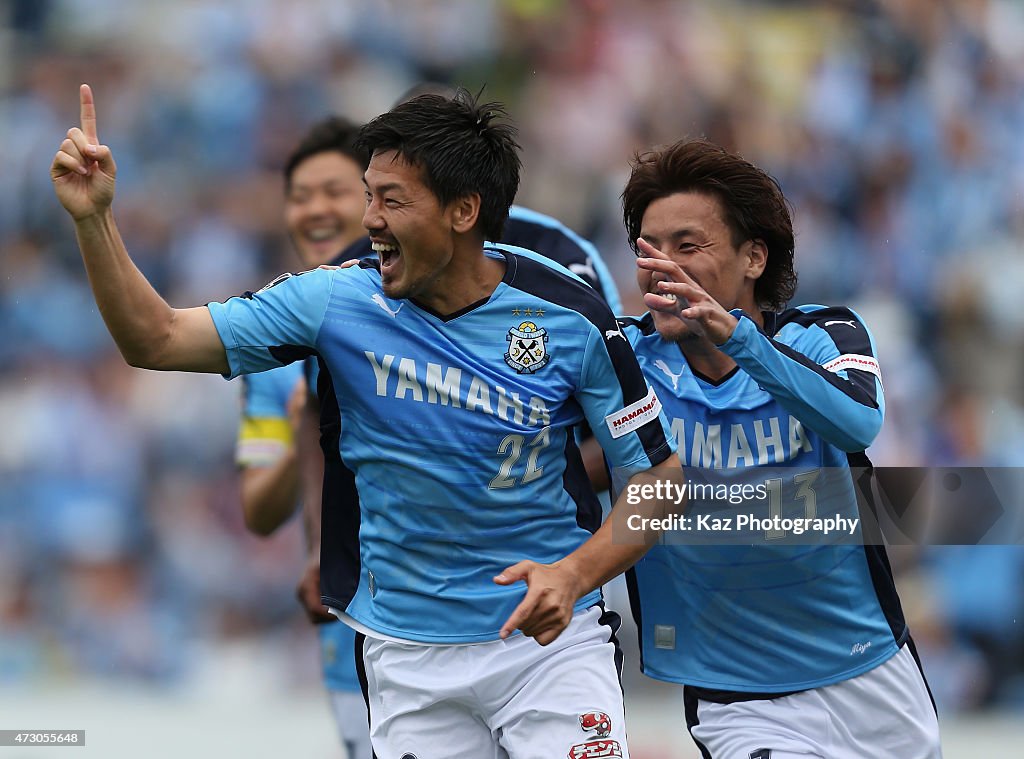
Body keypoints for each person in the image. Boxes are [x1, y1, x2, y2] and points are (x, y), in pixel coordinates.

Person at [52, 84, 679, 757]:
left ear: (464, 210)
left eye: (392, 199)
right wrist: (94, 220)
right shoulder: (332, 299)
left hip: (549, 649)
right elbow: (158, 339)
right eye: (369, 193)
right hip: (407, 658)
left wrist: (576, 573)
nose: (368, 217)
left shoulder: (568, 312)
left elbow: (660, 476)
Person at [616, 138, 942, 758]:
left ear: (754, 258)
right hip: (736, 696)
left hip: (867, 671)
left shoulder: (824, 334)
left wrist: (737, 338)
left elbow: (856, 424)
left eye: (687, 246)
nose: (661, 265)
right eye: (648, 249)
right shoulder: (624, 361)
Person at [234, 115, 373, 758]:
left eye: (335, 191)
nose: (315, 210)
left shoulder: (428, 323)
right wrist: (299, 431)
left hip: (472, 641)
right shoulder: (272, 354)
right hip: (348, 651)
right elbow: (260, 511)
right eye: (300, 195)